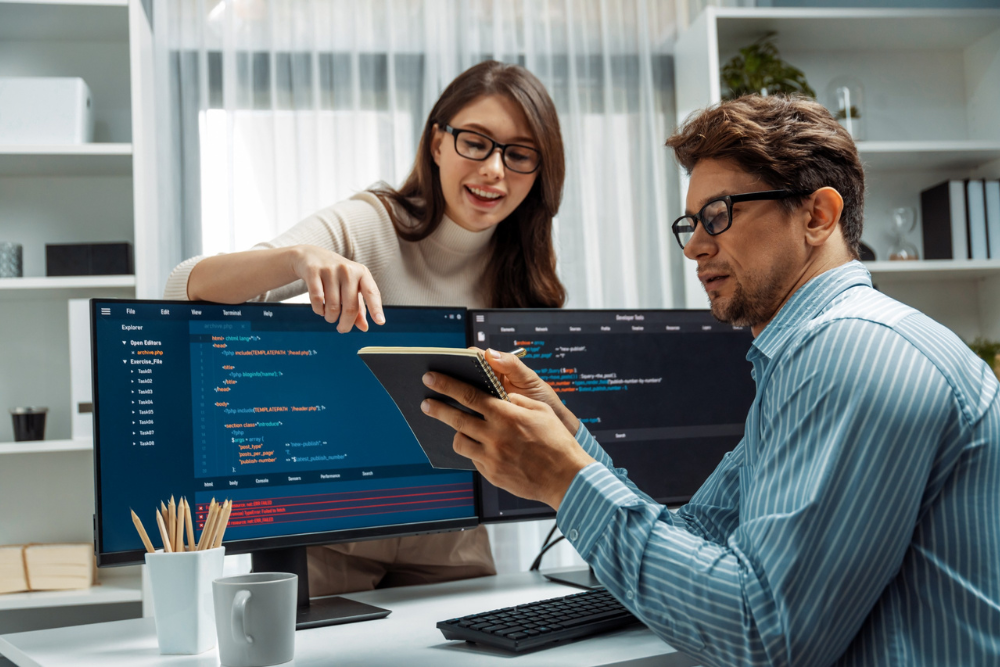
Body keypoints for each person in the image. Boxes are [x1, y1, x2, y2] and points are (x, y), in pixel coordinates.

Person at [420, 95, 1000, 666]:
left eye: (720, 213)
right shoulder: (804, 355)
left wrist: (566, 482)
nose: (696, 246)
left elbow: (765, 637)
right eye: (691, 222)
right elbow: (701, 535)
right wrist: (569, 445)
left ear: (818, 215)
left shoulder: (854, 353)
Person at [163, 60, 567, 595]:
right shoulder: (369, 223)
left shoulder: (526, 272)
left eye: (518, 155)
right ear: (437, 143)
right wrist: (297, 258)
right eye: (475, 142)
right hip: (335, 522)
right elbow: (183, 285)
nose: (495, 168)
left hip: (452, 524)